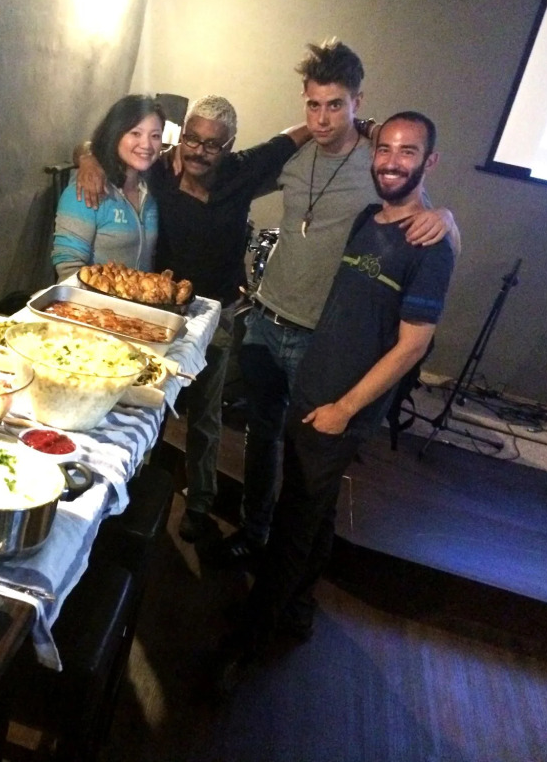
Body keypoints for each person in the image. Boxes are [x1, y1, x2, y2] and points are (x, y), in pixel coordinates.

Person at [218, 111, 456, 684]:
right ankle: (298, 609)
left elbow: (412, 347)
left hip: (342, 408)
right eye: (385, 149)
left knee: (293, 520)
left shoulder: (431, 245)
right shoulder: (367, 220)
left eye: (408, 152)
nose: (392, 161)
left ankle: (246, 645)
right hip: (312, 389)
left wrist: (346, 409)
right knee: (315, 510)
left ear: (429, 161)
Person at [224, 38, 460, 568]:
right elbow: (229, 180)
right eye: (314, 105)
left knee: (311, 465)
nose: (323, 118)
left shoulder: (378, 164)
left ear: (358, 102)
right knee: (261, 437)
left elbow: (426, 217)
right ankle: (254, 533)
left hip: (319, 342)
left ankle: (294, 570)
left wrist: (447, 217)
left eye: (336, 105)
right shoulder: (294, 154)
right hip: (266, 319)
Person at [76, 95, 313, 543]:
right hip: (160, 311)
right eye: (192, 139)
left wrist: (356, 123)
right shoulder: (161, 167)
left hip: (216, 311)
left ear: (230, 145)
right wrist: (87, 157)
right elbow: (105, 145)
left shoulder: (244, 170)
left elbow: (291, 138)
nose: (199, 151)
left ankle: (200, 503)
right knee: (149, 402)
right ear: (182, 134)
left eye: (212, 145)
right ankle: (135, 487)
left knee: (205, 413)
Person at [51, 94, 164, 282]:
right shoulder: (89, 187)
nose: (146, 145)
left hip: (138, 300)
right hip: (90, 300)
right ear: (115, 133)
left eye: (155, 136)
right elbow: (68, 267)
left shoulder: (150, 192)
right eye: (135, 133)